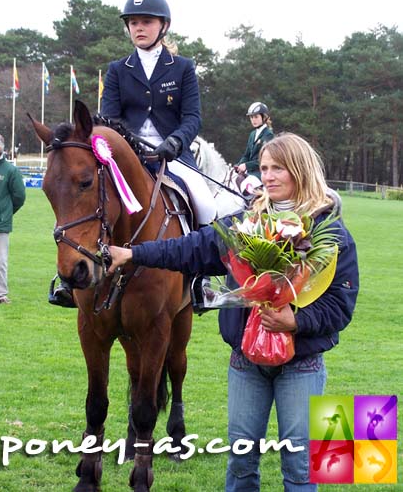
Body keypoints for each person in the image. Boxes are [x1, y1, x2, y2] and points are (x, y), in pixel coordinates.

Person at [107, 132, 359, 491]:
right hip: (246, 363)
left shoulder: (330, 231)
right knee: (241, 462)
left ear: (301, 171)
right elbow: (191, 248)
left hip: (302, 363)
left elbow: (341, 304)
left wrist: (296, 321)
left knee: (300, 465)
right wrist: (134, 254)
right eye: (266, 167)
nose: (268, 176)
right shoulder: (245, 222)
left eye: (279, 169)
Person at [49, 0, 217, 307]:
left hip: (172, 154)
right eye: (134, 23)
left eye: (146, 22)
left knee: (206, 204)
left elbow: (192, 117)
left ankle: (200, 279)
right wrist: (120, 148)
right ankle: (69, 279)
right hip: (126, 157)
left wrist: (176, 141)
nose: (139, 28)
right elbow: (108, 119)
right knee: (80, 200)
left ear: (163, 26)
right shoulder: (118, 70)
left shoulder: (182, 67)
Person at [0, 131, 26, 304]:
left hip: (0, 223)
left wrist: (4, 213)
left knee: (1, 261)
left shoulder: (10, 170)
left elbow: (19, 197)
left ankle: (1, 295)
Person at [235, 102, 274, 195]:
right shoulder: (252, 134)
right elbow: (247, 155)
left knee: (246, 185)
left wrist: (246, 166)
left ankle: (255, 208)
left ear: (264, 117)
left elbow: (265, 160)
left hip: (261, 173)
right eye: (251, 117)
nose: (253, 120)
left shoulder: (268, 135)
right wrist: (240, 165)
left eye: (256, 117)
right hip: (250, 172)